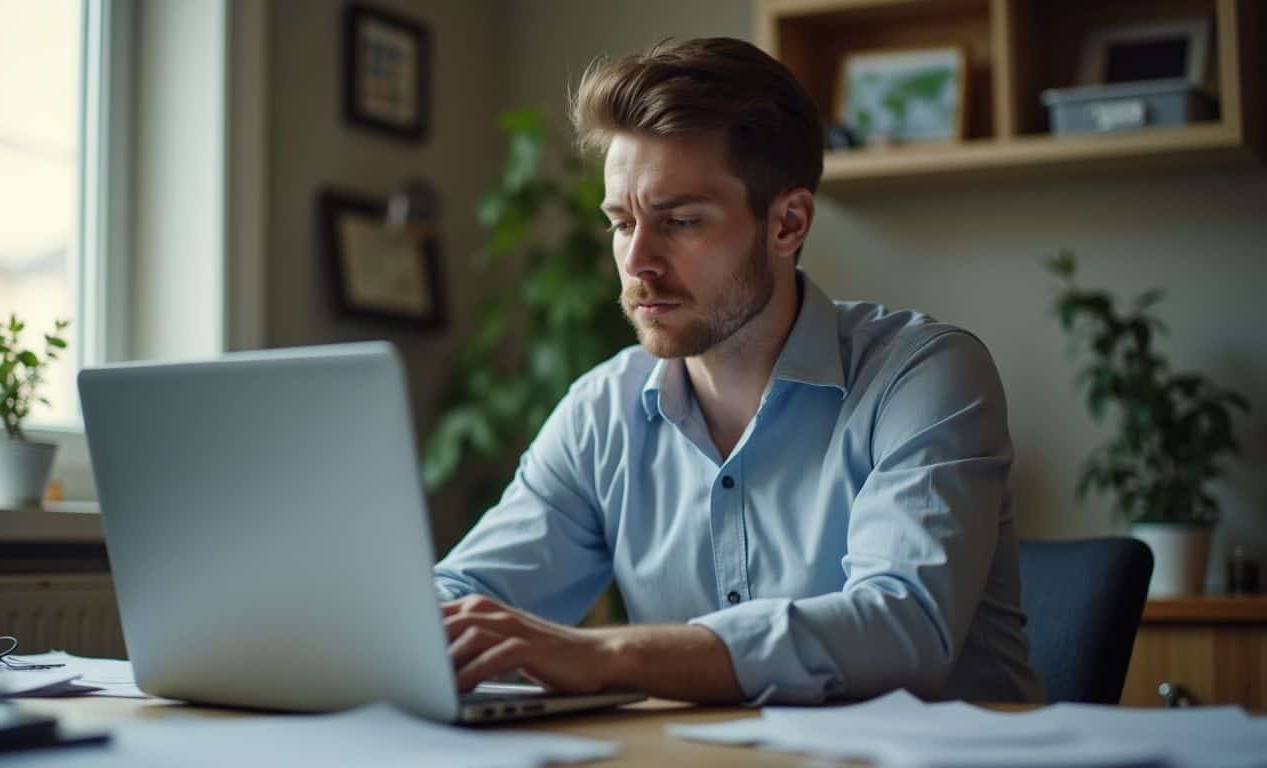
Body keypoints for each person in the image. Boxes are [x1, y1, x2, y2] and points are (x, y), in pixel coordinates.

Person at [433, 37, 1043, 705]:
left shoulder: (924, 376)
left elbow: (904, 626)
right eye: (620, 222)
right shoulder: (601, 411)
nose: (637, 261)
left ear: (787, 223)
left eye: (681, 221)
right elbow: (469, 595)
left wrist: (607, 652)